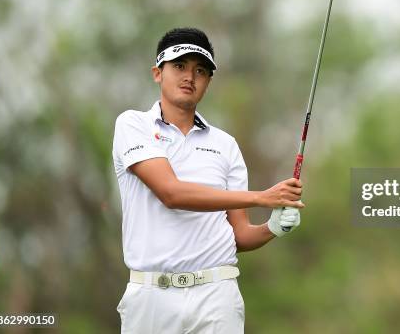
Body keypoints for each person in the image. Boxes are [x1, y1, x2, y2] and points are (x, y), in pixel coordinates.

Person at [112, 27, 304, 333]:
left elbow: (239, 235)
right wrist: (261, 197)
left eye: (200, 70)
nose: (190, 76)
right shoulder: (134, 125)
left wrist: (273, 227)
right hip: (151, 297)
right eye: (179, 66)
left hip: (217, 295)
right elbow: (171, 193)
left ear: (208, 82)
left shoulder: (225, 145)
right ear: (157, 73)